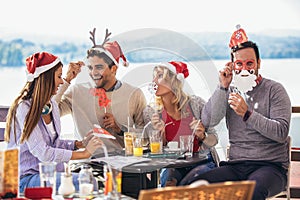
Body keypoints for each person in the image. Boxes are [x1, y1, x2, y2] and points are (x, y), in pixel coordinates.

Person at [187, 26, 291, 200]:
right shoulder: (229, 90)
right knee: (198, 185)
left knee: (251, 192)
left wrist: (247, 114)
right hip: (236, 165)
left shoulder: (275, 90)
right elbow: (207, 120)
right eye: (239, 64)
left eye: (250, 63)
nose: (244, 68)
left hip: (270, 167)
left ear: (258, 63)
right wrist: (222, 86)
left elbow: (281, 133)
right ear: (233, 65)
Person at [4, 52, 103, 193]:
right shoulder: (24, 108)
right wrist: (84, 154)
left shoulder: (51, 105)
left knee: (89, 178)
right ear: (46, 79)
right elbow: (43, 152)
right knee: (85, 181)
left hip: (48, 174)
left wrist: (77, 145)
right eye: (58, 77)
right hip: (25, 179)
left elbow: (53, 144)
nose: (62, 81)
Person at [54, 28, 147, 155]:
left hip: (121, 160)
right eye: (90, 67)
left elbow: (146, 137)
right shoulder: (77, 92)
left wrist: (119, 129)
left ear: (113, 68)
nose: (93, 73)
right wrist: (67, 80)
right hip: (86, 162)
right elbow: (49, 112)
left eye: (99, 67)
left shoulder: (134, 94)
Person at [143, 61, 219, 187]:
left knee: (191, 182)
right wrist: (159, 134)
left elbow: (214, 139)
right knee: (168, 182)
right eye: (154, 76)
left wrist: (203, 136)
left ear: (174, 82)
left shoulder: (196, 104)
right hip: (173, 165)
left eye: (160, 76)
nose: (154, 80)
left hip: (202, 162)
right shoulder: (151, 112)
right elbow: (155, 154)